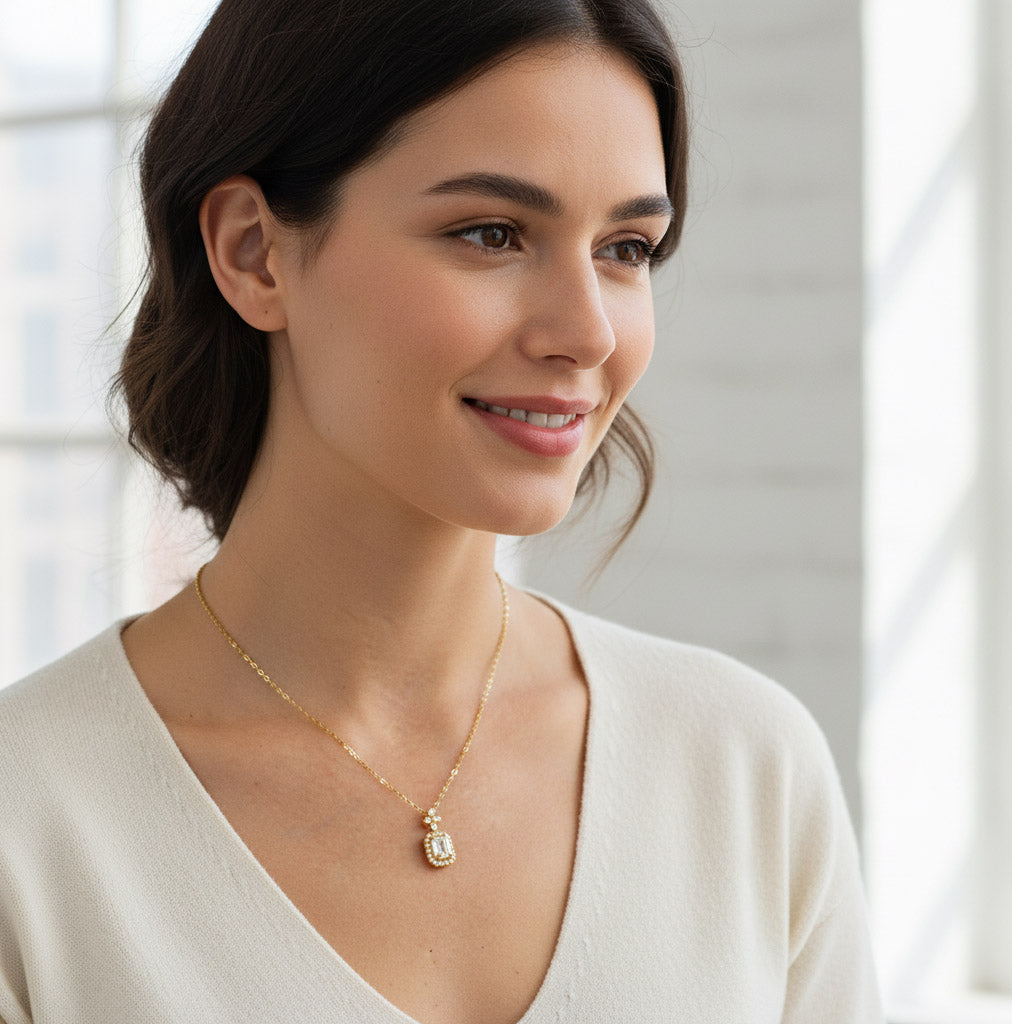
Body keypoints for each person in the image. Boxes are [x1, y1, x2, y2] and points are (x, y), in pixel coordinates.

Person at [0, 0, 883, 1021]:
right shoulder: (32, 822)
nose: (587, 332)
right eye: (493, 233)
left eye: (628, 247)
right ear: (253, 252)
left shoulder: (743, 768)